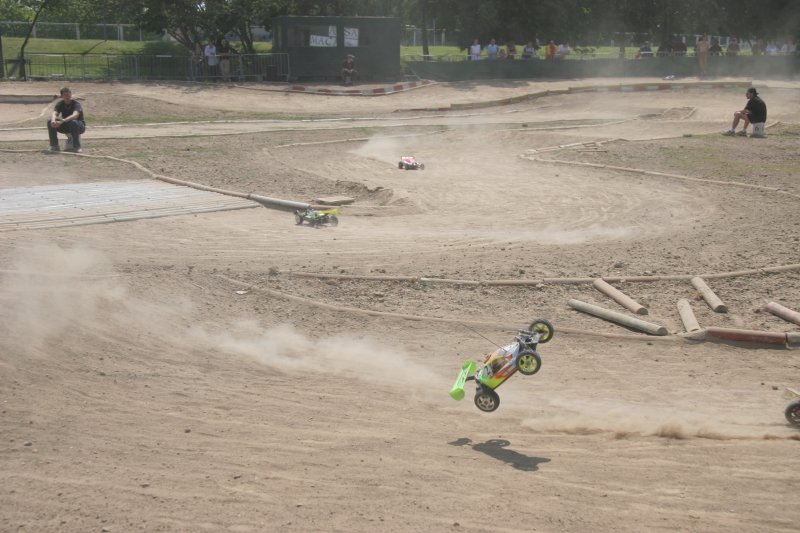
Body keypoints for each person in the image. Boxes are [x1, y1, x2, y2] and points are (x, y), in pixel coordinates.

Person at [47, 87, 86, 153]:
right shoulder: (60, 104)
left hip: (79, 126)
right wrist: (53, 121)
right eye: (65, 95)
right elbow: (54, 113)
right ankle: (54, 146)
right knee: (50, 122)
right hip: (67, 125)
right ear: (62, 96)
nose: (68, 97)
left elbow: (75, 115)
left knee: (73, 122)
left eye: (69, 95)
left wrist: (62, 121)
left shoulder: (76, 104)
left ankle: (77, 147)